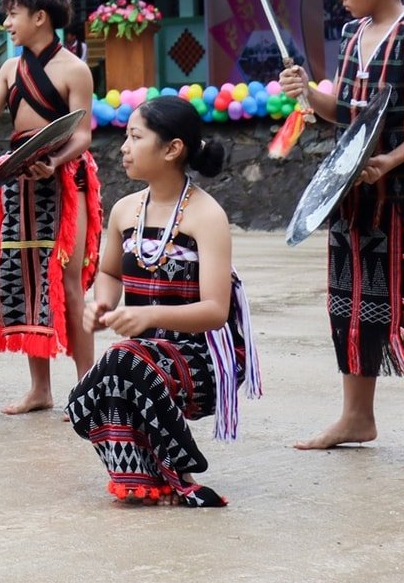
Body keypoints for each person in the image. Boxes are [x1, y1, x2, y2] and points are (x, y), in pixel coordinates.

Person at [282, 0, 404, 467]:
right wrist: (308, 94)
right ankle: (358, 417)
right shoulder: (355, 37)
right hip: (352, 201)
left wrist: (390, 161)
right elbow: (348, 115)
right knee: (352, 307)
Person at [66, 96, 262, 505]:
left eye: (136, 137)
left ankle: (181, 469)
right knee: (99, 386)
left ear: (172, 149)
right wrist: (102, 303)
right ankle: (143, 477)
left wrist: (147, 314)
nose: (123, 147)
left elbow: (214, 311)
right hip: (144, 354)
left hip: (204, 357)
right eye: (125, 136)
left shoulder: (206, 216)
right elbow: (109, 272)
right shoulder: (124, 210)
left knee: (122, 362)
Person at [0, 0, 101, 415]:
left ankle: (88, 386)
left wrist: (53, 163)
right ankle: (40, 389)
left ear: (40, 17)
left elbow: (84, 134)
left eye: (13, 13)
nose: (6, 22)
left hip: (65, 178)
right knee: (29, 283)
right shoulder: (8, 69)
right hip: (20, 180)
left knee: (68, 285)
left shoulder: (74, 68)